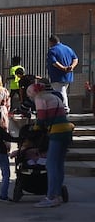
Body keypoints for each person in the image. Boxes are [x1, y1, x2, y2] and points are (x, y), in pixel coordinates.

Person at [26, 79, 73, 207]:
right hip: (67, 130)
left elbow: (41, 119)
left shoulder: (40, 99)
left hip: (56, 132)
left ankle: (51, 196)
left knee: (51, 165)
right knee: (59, 164)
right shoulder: (54, 97)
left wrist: (34, 129)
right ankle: (58, 194)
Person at [46, 35, 79, 113]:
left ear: (51, 42)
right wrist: (71, 67)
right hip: (68, 75)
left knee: (60, 92)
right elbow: (75, 59)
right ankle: (60, 108)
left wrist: (63, 68)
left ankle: (65, 108)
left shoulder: (52, 50)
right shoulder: (68, 48)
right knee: (63, 90)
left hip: (57, 75)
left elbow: (54, 62)